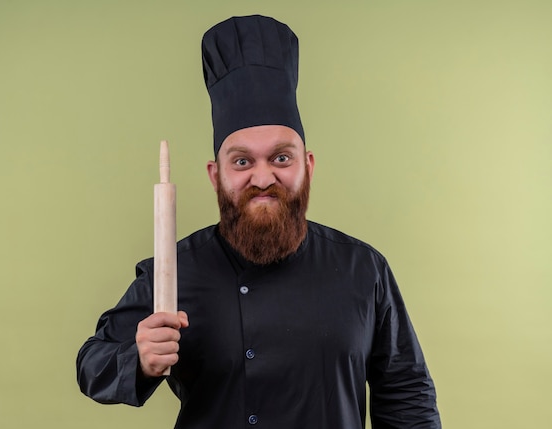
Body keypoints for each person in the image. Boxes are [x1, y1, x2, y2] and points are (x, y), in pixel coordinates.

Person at [76, 14, 441, 428]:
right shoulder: (175, 269)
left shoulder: (364, 269)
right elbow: (92, 363)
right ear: (217, 175)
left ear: (308, 166)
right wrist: (137, 360)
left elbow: (407, 395)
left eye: (281, 158)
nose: (263, 178)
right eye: (243, 161)